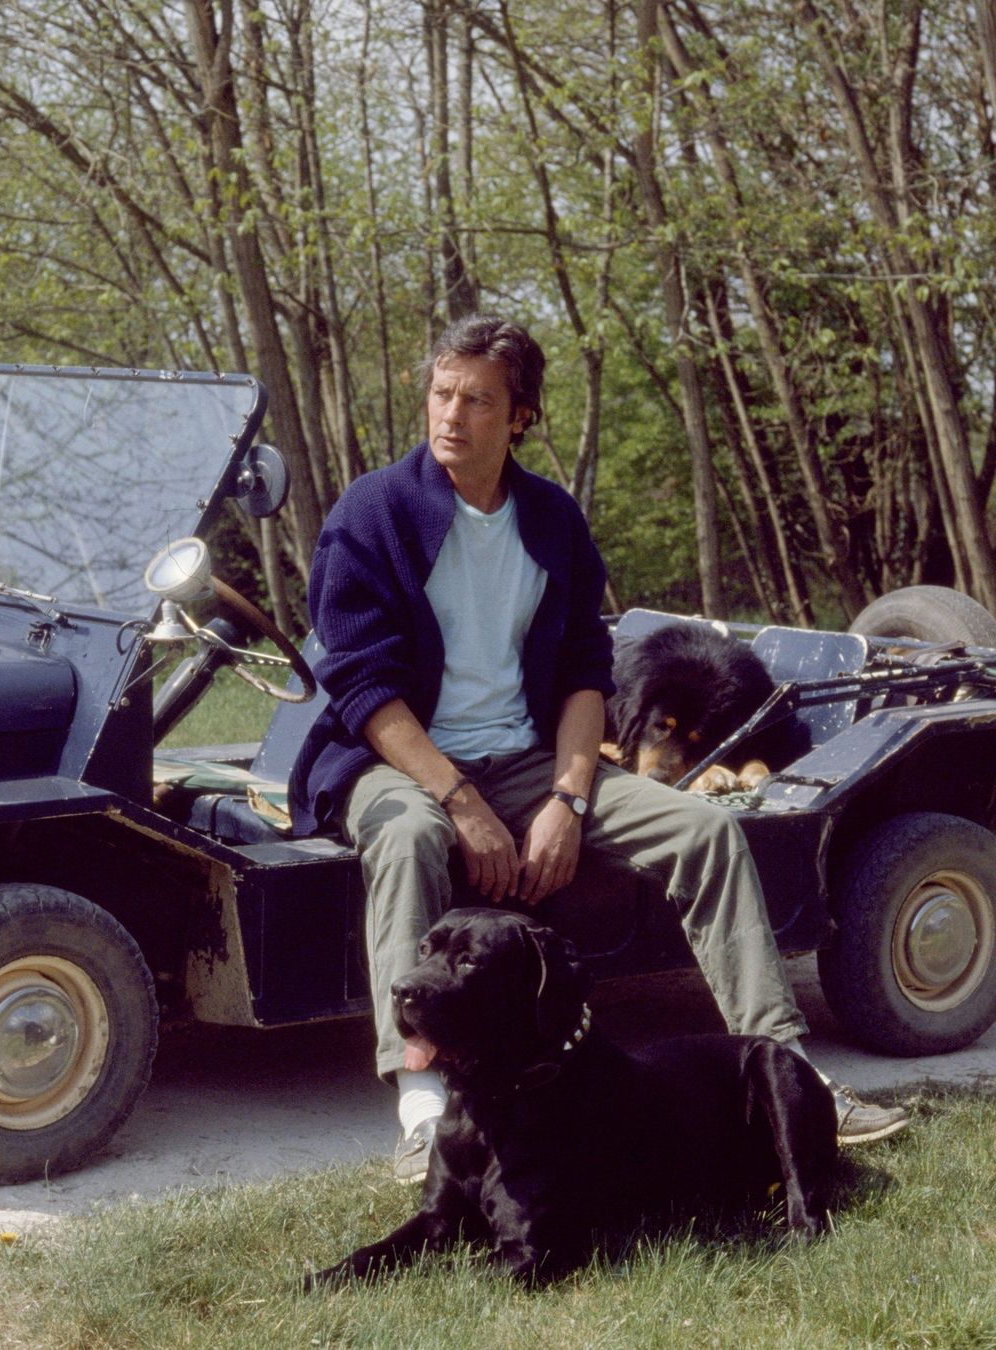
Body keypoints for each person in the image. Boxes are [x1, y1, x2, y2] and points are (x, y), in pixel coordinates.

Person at [289, 314, 908, 1183]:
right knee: (408, 836)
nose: (451, 415)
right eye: (441, 393)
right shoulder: (374, 513)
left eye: (477, 400)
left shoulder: (550, 520)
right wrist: (461, 802)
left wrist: (569, 800)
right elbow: (361, 690)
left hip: (529, 758)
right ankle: (422, 1108)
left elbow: (588, 674)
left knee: (707, 832)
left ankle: (787, 1073)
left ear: (521, 418)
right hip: (397, 762)